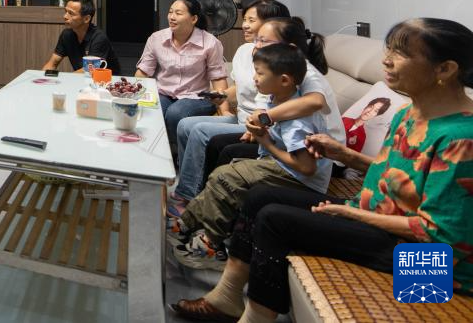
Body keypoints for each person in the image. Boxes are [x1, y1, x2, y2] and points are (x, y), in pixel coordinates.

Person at [171, 18, 473, 322]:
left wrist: (351, 214)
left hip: (428, 260)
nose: (387, 60)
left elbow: (436, 234)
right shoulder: (410, 113)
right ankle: (227, 298)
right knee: (260, 196)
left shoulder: (461, 138)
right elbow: (396, 173)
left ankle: (256, 318)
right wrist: (345, 155)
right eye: (389, 49)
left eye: (402, 53)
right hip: (379, 216)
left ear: (445, 69)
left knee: (275, 220)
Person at [170, 44, 331, 270]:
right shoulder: (277, 99)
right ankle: (186, 224)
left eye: (260, 73)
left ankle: (210, 247)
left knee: (227, 178)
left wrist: (267, 143)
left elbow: (307, 167)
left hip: (300, 179)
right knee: (222, 174)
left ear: (284, 80)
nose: (254, 78)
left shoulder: (297, 122)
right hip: (281, 165)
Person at [192, 16, 348, 191]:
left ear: (289, 48)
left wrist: (264, 119)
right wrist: (255, 125)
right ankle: (203, 196)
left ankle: (217, 200)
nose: (257, 45)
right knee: (217, 143)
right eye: (257, 39)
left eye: (264, 41)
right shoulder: (272, 70)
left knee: (229, 152)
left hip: (318, 152)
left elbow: (315, 102)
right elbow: (262, 106)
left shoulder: (306, 72)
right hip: (284, 138)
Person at [171, 0, 291, 209]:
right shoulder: (244, 51)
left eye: (251, 20)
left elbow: (272, 105)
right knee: (184, 125)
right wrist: (223, 95)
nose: (244, 25)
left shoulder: (281, 62)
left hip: (256, 125)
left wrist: (258, 124)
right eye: (245, 20)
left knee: (199, 131)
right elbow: (240, 87)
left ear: (272, 25)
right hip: (240, 116)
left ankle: (189, 196)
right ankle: (189, 181)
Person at [136, 0, 229, 148]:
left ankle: (178, 153)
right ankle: (154, 149)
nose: (172, 17)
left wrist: (224, 111)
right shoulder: (156, 38)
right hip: (163, 93)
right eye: (170, 12)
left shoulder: (210, 43)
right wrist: (134, 95)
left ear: (193, 19)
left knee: (175, 113)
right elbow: (143, 72)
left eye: (178, 13)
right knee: (150, 110)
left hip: (197, 97)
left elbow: (218, 78)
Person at [42, 0, 122, 75]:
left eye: (71, 13)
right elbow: (53, 63)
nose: (65, 16)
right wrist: (41, 77)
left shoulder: (99, 38)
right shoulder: (66, 35)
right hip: (82, 79)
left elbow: (89, 70)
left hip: (107, 80)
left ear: (86, 19)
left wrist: (64, 79)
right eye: (66, 11)